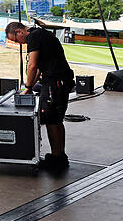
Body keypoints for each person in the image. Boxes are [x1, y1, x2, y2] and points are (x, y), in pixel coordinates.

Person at [5, 21, 75, 169]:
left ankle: (56, 158)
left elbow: (33, 65)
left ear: (19, 32)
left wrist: (28, 86)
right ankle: (60, 155)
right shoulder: (40, 34)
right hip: (60, 81)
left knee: (51, 120)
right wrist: (29, 87)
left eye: (16, 40)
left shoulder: (34, 37)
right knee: (57, 120)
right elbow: (39, 68)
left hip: (54, 83)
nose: (19, 43)